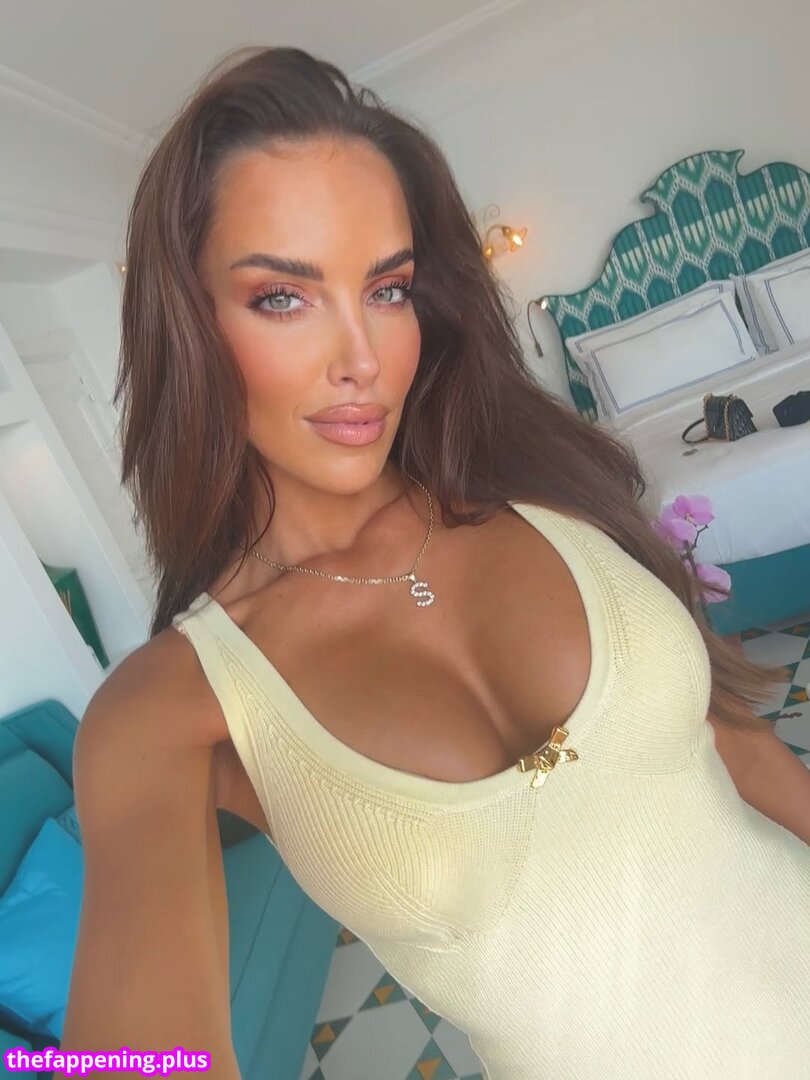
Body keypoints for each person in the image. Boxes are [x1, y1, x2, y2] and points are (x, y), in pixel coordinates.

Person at [58, 45, 810, 1080]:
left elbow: (737, 747)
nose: (363, 359)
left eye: (389, 289)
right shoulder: (170, 711)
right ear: (186, 327)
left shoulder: (546, 486)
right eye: (282, 297)